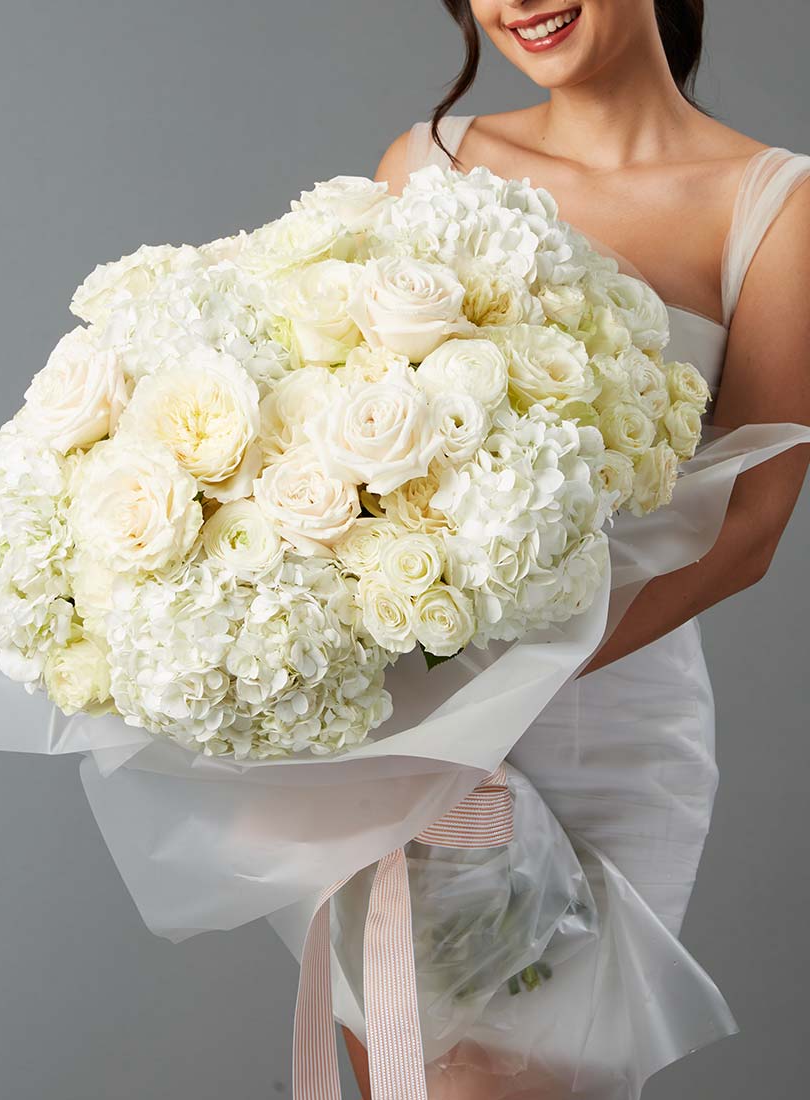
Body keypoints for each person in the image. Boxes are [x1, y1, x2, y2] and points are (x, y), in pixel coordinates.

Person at [343, 2, 810, 1095]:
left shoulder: (774, 206)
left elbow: (750, 527)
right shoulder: (428, 165)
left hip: (609, 715)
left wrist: (508, 682)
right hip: (410, 721)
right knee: (398, 1069)